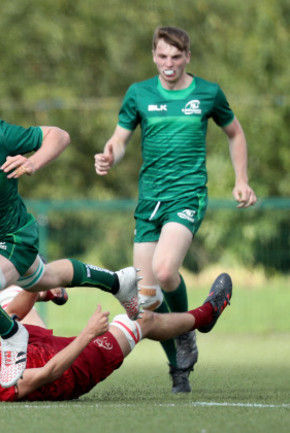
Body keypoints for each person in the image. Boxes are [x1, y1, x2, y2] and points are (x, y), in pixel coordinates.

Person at [0, 88, 141, 389]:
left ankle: (12, 335)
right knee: (42, 278)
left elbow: (58, 136)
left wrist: (34, 162)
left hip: (17, 235)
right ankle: (118, 282)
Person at [94, 26, 257, 393]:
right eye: (163, 56)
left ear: (187, 57)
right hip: (148, 201)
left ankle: (187, 329)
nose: (169, 64)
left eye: (176, 57)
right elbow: (119, 140)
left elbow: (235, 133)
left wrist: (241, 179)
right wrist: (109, 156)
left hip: (186, 195)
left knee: (167, 271)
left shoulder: (208, 93)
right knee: (145, 307)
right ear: (154, 55)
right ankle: (178, 367)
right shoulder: (139, 94)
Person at [0, 273, 232, 402]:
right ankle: (205, 316)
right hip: (70, 373)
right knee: (139, 321)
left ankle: (46, 289)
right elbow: (47, 375)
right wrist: (88, 334)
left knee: (10, 292)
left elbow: (8, 319)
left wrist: (39, 295)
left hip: (38, 345)